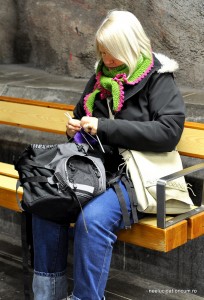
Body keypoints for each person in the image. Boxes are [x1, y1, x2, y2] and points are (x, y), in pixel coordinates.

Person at [32, 10, 186, 300]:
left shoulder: (158, 78)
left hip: (135, 177)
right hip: (94, 171)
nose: (107, 60)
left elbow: (169, 133)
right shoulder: (100, 79)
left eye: (112, 52)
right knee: (45, 204)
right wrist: (74, 128)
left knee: (92, 220)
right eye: (102, 52)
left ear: (130, 46)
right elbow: (81, 116)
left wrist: (105, 126)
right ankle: (47, 295)